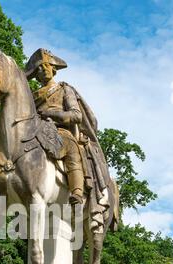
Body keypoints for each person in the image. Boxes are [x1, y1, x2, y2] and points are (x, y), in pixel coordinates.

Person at [25, 49, 111, 229]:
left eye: (45, 67)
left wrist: (50, 113)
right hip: (37, 131)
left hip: (60, 131)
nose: (42, 72)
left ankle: (77, 192)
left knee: (72, 148)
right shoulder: (32, 95)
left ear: (53, 69)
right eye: (38, 69)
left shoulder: (64, 89)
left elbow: (76, 115)